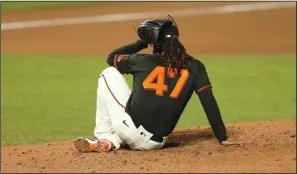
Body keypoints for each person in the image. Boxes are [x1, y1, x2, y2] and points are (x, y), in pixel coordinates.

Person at [74, 15, 240, 152]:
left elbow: (112, 58)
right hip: (156, 143)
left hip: (131, 131)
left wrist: (142, 43)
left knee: (107, 74)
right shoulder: (196, 66)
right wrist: (222, 137)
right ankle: (111, 142)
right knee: (135, 117)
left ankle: (103, 136)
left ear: (154, 42)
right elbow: (208, 102)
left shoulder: (142, 61)